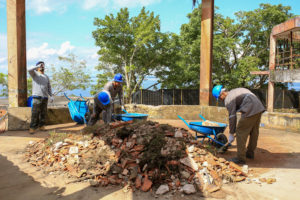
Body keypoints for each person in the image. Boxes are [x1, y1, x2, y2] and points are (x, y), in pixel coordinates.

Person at [212, 85, 265, 164]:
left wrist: (231, 133)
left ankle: (240, 158)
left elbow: (232, 117)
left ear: (222, 94)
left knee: (240, 131)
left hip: (250, 108)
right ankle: (250, 153)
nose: (221, 100)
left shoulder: (228, 99)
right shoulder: (235, 90)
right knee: (254, 131)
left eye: (220, 98)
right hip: (259, 107)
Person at [28, 61, 53, 134]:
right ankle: (32, 127)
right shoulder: (35, 74)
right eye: (41, 65)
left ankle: (41, 126)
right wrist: (37, 66)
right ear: (37, 67)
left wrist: (51, 96)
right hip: (37, 97)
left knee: (43, 113)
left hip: (45, 97)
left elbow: (49, 87)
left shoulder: (46, 77)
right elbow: (29, 70)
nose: (42, 67)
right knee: (35, 113)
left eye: (43, 65)